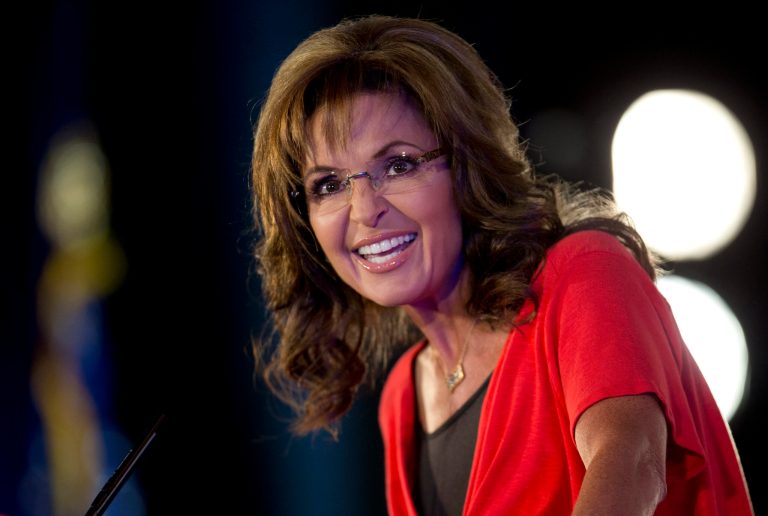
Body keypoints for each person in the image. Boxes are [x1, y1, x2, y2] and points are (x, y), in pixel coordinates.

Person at [249, 14, 754, 515]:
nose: (364, 209)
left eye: (399, 165)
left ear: (469, 168)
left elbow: (634, 464)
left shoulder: (583, 274)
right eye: (329, 185)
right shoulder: (402, 397)